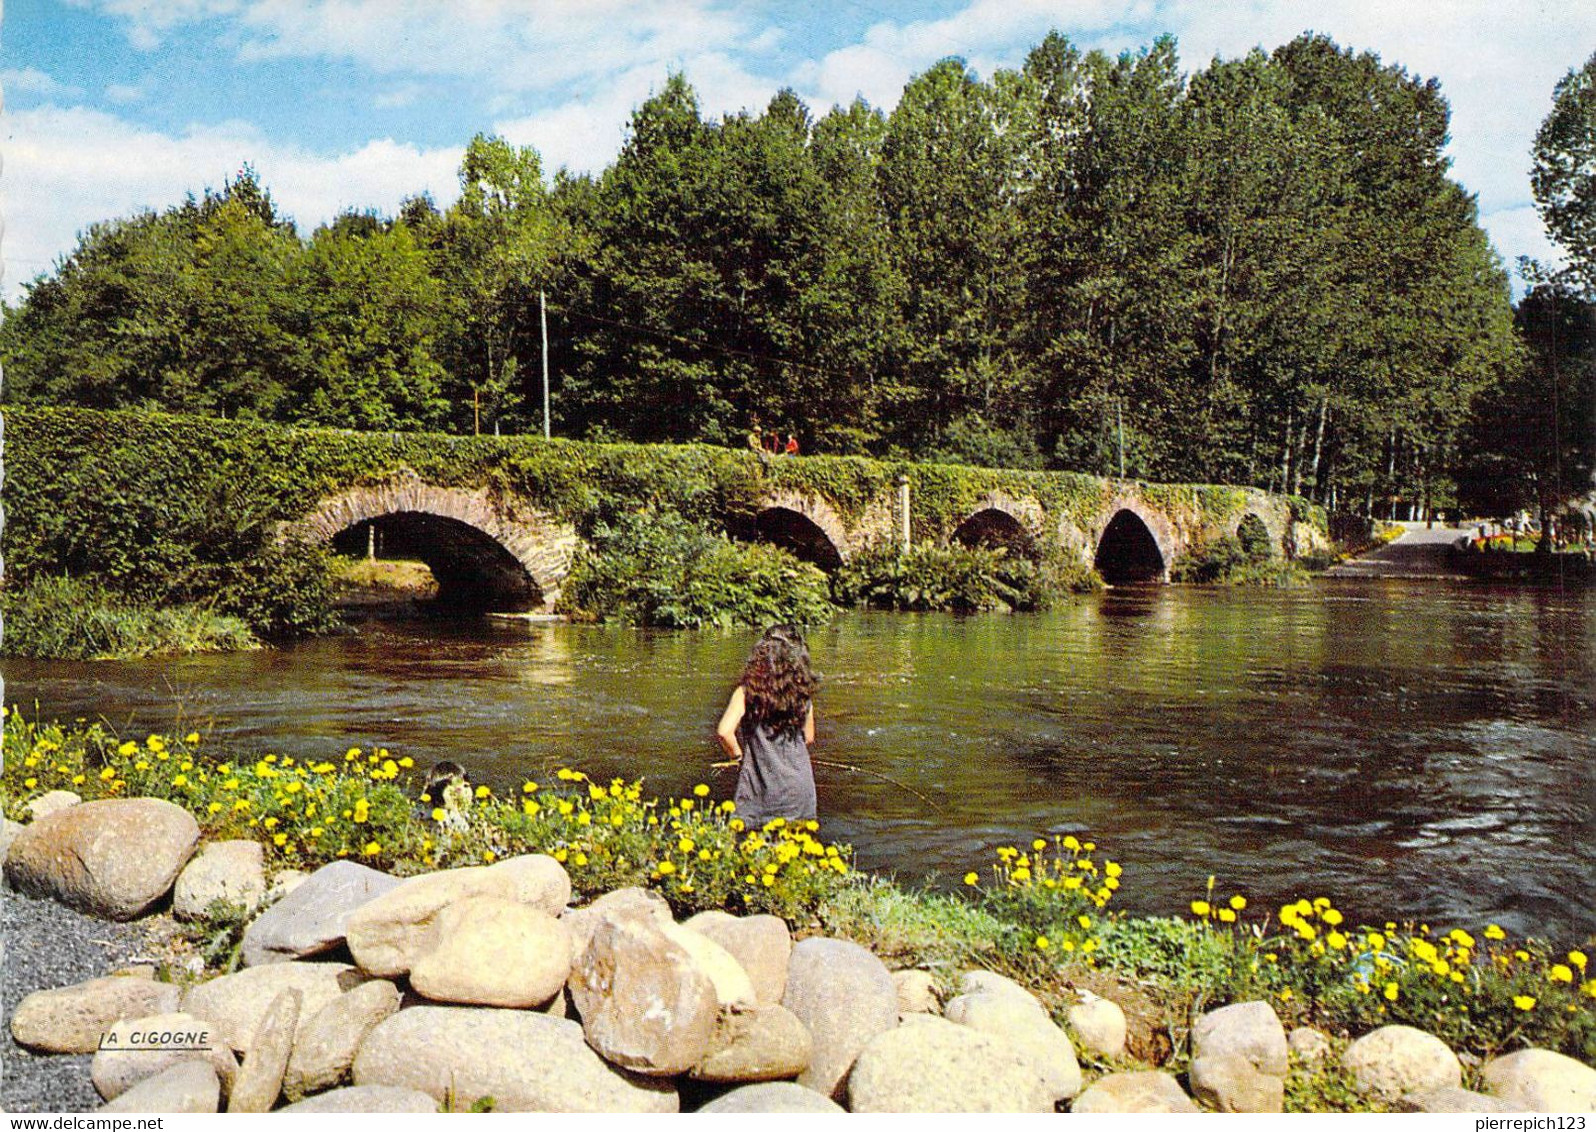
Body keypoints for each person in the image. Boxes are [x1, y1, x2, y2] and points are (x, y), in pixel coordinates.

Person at [716, 624, 818, 827]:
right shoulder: (802, 694)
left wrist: (738, 758)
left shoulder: (746, 692)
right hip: (799, 791)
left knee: (751, 851)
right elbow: (808, 737)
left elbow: (724, 732)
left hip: (761, 790)